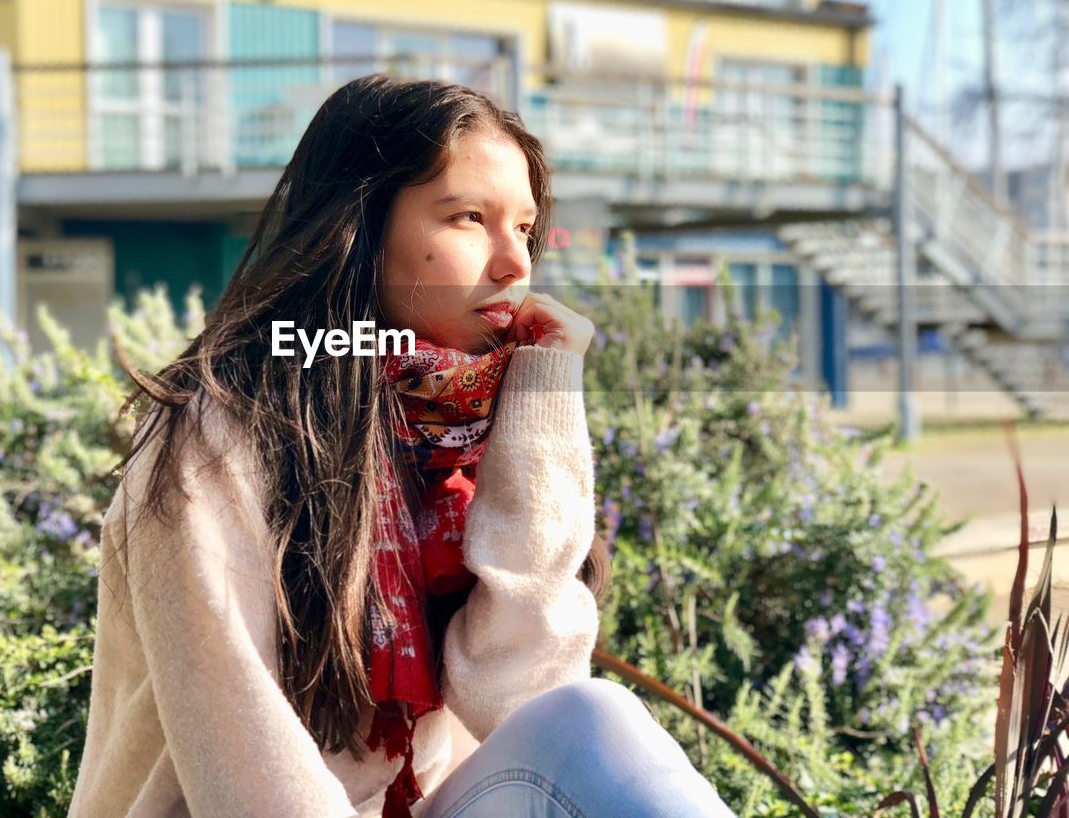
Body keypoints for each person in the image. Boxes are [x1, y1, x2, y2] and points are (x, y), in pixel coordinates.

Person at [66, 74, 736, 818]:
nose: (514, 264)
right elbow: (244, 775)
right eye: (468, 218)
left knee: (592, 720)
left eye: (523, 228)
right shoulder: (217, 434)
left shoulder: (462, 431)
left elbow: (520, 699)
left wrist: (544, 402)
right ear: (358, 231)